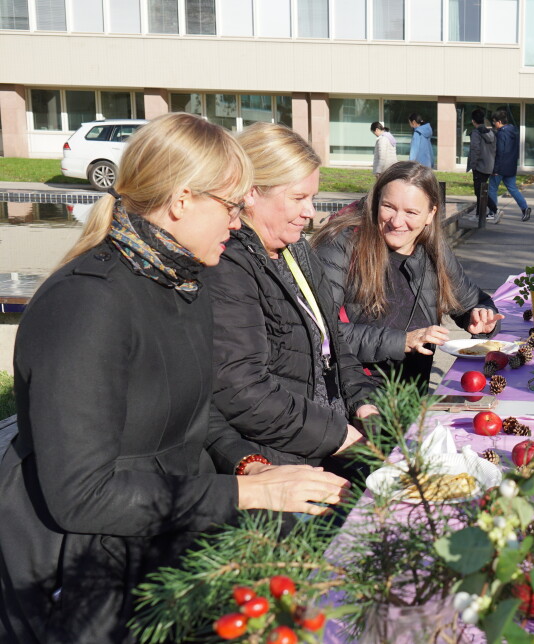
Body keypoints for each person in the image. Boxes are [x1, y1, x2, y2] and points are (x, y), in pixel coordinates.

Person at [0, 113, 350, 642]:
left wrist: (250, 465)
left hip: (166, 543)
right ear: (182, 200)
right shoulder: (87, 303)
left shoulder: (181, 281)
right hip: (87, 580)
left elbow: (195, 410)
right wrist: (241, 495)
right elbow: (82, 495)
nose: (237, 223)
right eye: (231, 206)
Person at [207, 123, 379, 472]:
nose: (310, 212)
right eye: (298, 198)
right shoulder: (228, 264)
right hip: (281, 462)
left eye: (312, 198)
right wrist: (338, 435)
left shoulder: (296, 249)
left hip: (329, 437)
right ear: (252, 193)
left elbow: (334, 344)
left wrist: (364, 402)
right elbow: (243, 393)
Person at [313, 161, 504, 392]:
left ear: (430, 214)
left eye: (411, 212)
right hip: (353, 397)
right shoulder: (340, 244)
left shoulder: (433, 248)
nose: (396, 222)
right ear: (375, 203)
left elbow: (473, 302)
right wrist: (403, 341)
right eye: (388, 207)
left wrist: (481, 319)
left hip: (412, 397)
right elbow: (320, 332)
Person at [487, 109, 532, 221]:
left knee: (492, 188)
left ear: (499, 122)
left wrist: (495, 168)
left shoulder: (502, 134)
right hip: (511, 166)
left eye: (494, 122)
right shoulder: (514, 132)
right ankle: (525, 208)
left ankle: (493, 212)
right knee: (513, 189)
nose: (494, 124)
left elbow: (500, 152)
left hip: (501, 167)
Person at [466, 108, 497, 224]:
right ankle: (481, 214)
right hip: (489, 166)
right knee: (481, 191)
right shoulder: (491, 133)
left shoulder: (476, 133)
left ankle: (493, 210)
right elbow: (494, 150)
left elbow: (475, 149)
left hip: (479, 166)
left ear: (473, 121)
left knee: (479, 191)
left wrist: (473, 165)